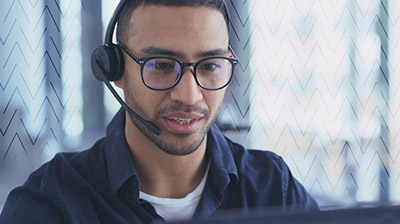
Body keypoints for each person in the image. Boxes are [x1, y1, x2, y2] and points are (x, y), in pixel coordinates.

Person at [0, 0, 318, 223]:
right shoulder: (49, 206)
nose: (189, 95)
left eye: (209, 66)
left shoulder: (276, 190)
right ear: (114, 69)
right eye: (162, 66)